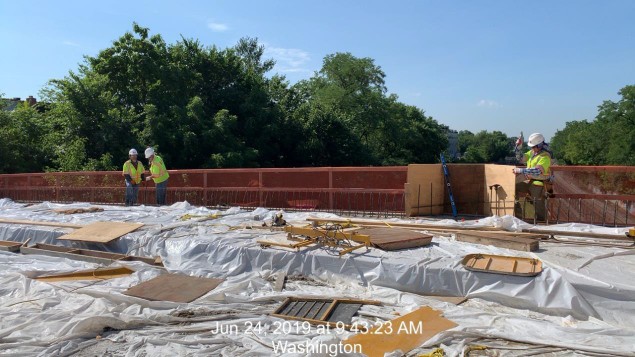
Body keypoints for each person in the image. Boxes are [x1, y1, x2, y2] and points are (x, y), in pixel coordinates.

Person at [512, 133, 553, 221]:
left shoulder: (545, 156)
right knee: (512, 189)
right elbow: (520, 159)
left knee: (538, 204)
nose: (532, 148)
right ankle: (518, 218)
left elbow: (538, 171)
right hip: (528, 181)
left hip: (538, 183)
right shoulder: (532, 152)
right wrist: (518, 148)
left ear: (540, 145)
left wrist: (521, 170)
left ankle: (541, 222)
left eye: (534, 146)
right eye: (531, 147)